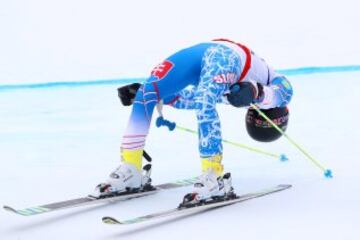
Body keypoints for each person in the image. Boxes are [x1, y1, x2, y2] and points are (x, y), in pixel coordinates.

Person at [93, 39, 293, 204]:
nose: (252, 111)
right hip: (226, 55)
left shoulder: (233, 95)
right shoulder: (274, 81)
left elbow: (190, 99)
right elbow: (283, 92)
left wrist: (164, 96)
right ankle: (213, 176)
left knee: (147, 93)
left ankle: (132, 168)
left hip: (198, 53)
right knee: (204, 101)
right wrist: (258, 92)